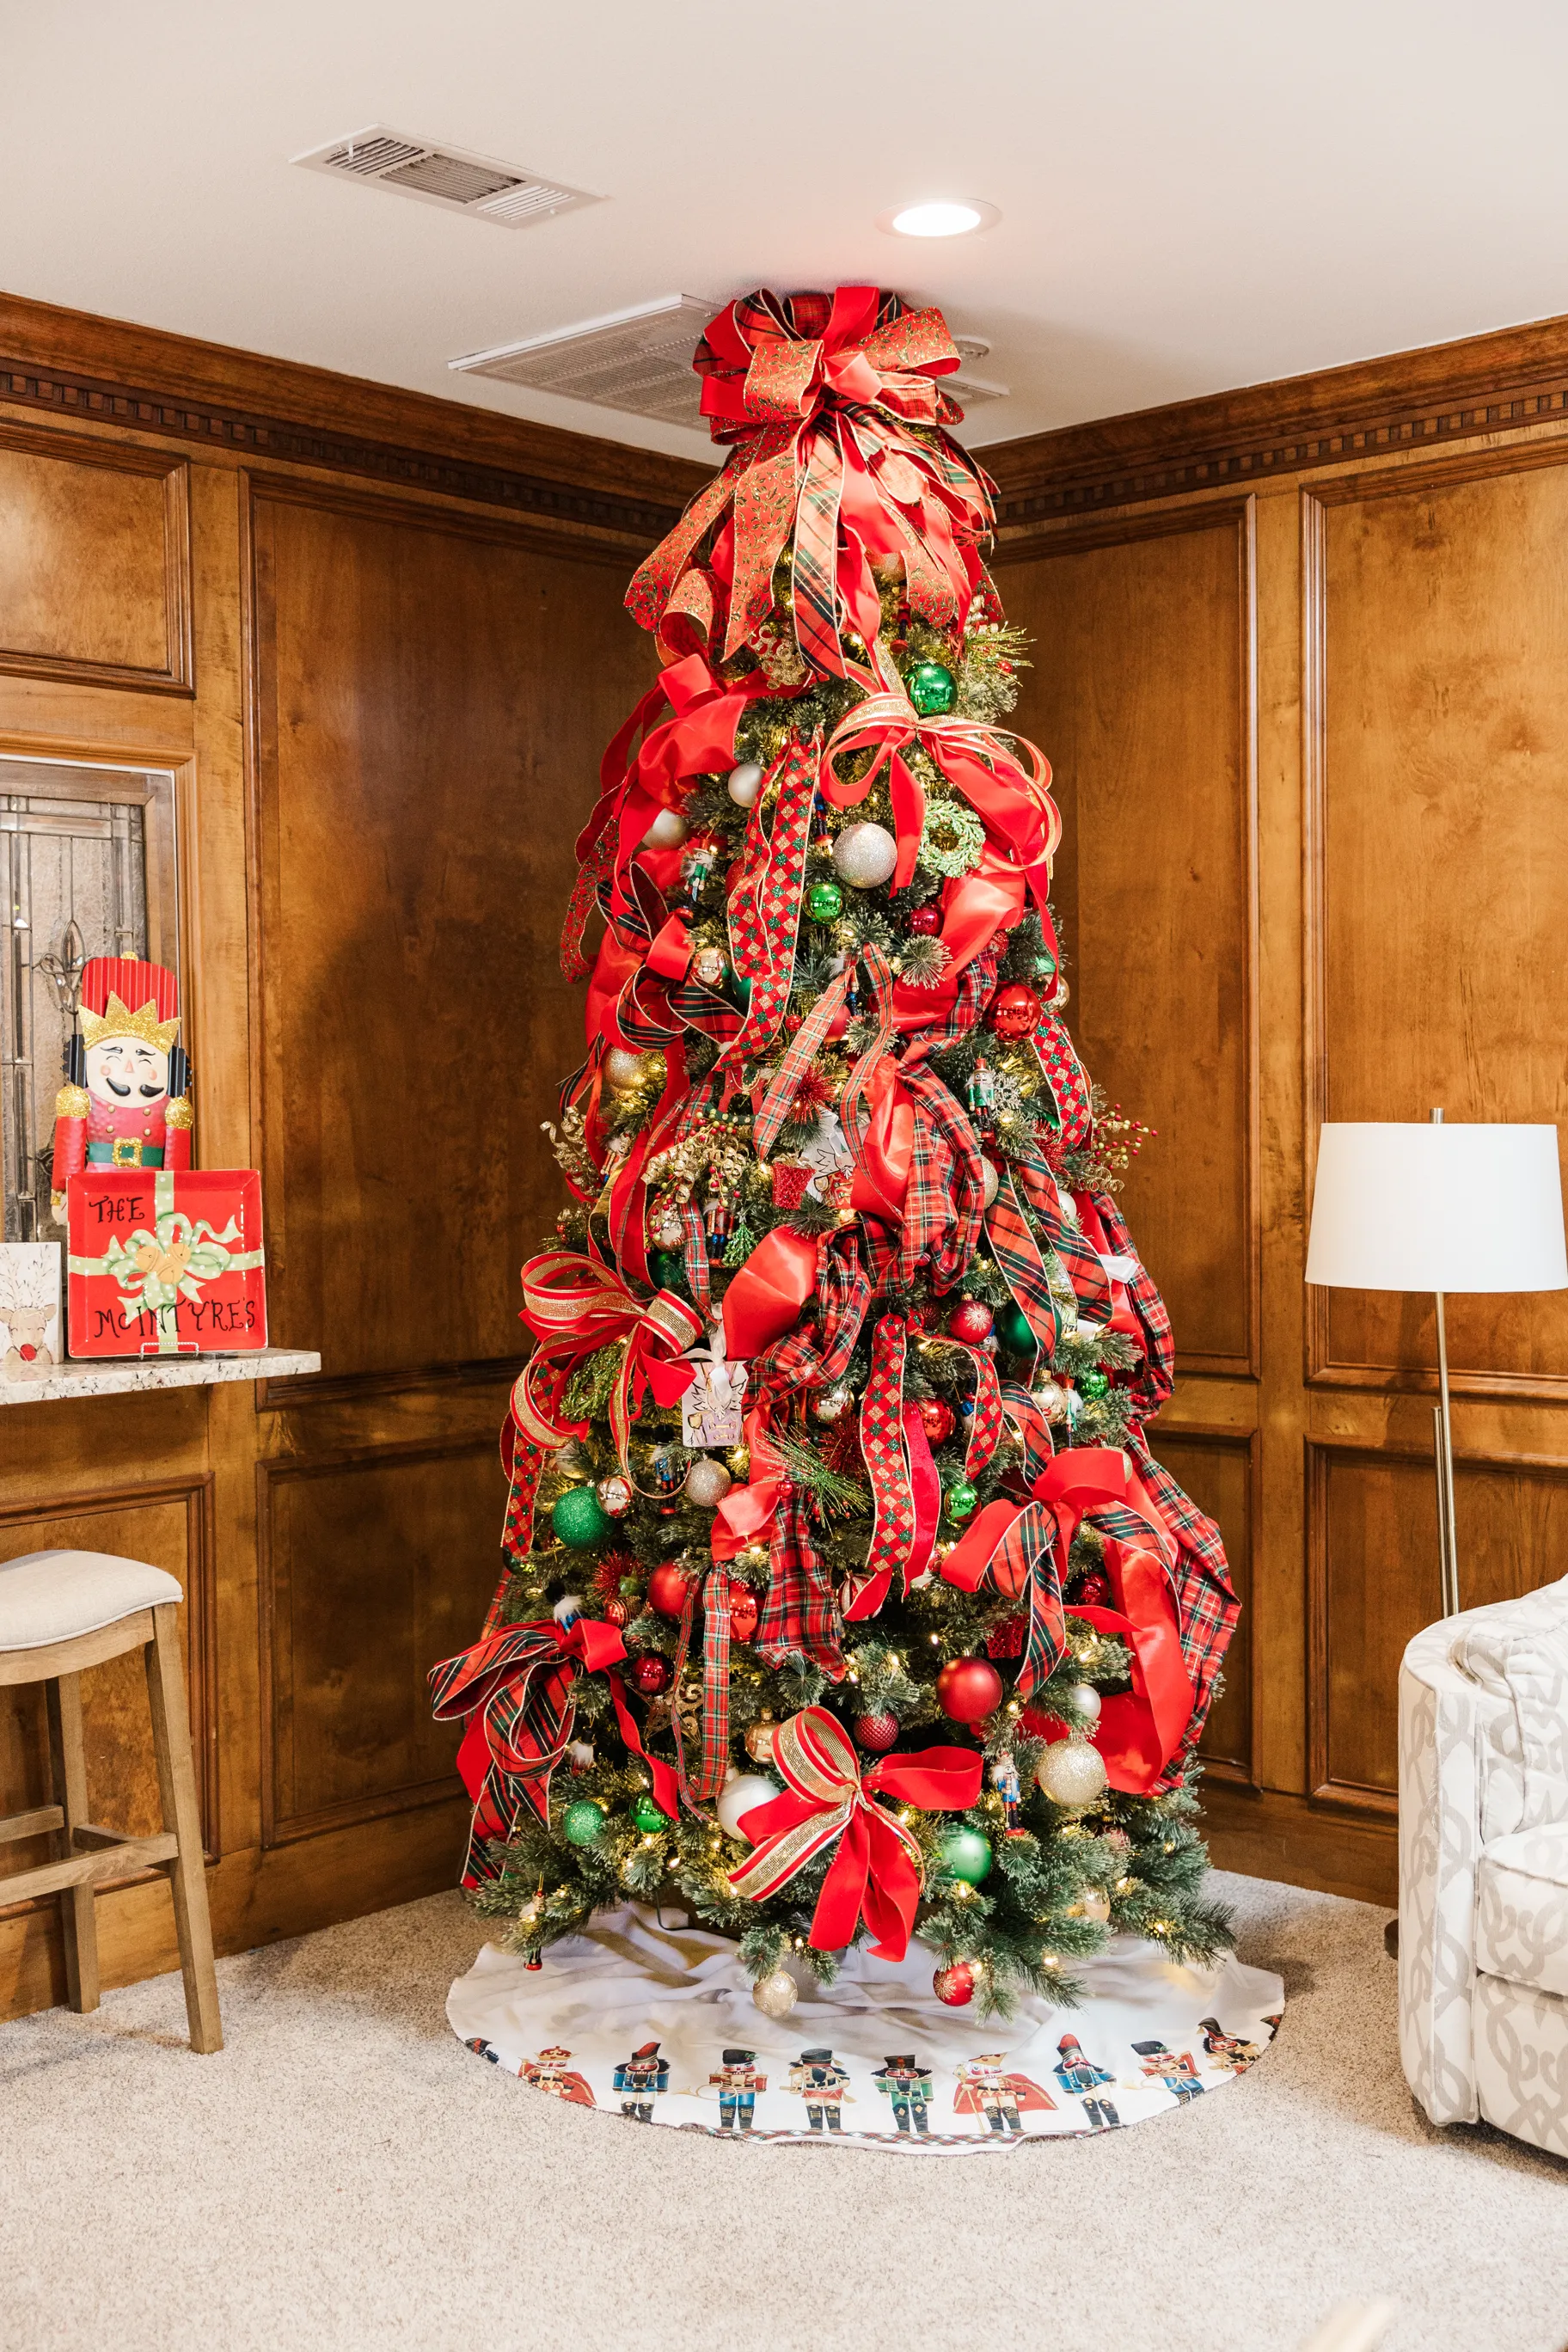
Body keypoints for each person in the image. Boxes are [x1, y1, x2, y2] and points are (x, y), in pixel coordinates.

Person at [51, 955, 193, 1215]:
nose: (129, 1067)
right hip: (97, 1190)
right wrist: (63, 1191)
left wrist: (177, 1200)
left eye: (143, 1058)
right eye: (115, 1056)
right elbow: (69, 1152)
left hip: (151, 1192)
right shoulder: (80, 1099)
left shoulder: (174, 1108)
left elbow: (177, 1162)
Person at [952, 2053, 1057, 2134]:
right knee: (991, 2109)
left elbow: (1017, 2083)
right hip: (986, 2093)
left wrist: (1021, 2093)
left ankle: (1015, 2127)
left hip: (1005, 2092)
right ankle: (997, 2128)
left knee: (1010, 2108)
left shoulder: (1008, 2077)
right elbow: (970, 2085)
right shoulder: (979, 2079)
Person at [1053, 2033, 1119, 2130]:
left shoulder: (1087, 2065)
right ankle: (1096, 2124)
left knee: (1105, 2101)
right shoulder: (1063, 2068)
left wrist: (1109, 2077)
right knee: (1089, 2103)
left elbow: (1098, 2071)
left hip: (1097, 2084)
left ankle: (1114, 2122)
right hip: (1080, 2087)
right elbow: (1062, 2076)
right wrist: (1068, 2088)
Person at [786, 2047, 852, 2134]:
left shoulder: (831, 2069)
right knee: (814, 2107)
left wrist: (845, 2082)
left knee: (832, 2108)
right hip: (812, 2090)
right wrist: (796, 2088)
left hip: (831, 2090)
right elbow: (796, 2078)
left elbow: (842, 2076)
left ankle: (835, 2127)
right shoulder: (802, 2070)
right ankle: (816, 2127)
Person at [873, 2054, 933, 2138]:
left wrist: (928, 2096)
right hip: (897, 2095)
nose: (902, 2072)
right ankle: (904, 2130)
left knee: (919, 2109)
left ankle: (922, 2130)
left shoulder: (918, 2077)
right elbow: (881, 2081)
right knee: (900, 2110)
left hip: (915, 2095)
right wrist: (883, 2090)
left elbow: (926, 2082)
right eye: (895, 2070)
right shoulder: (888, 2077)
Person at [707, 2047, 766, 2133]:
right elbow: (715, 2079)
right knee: (727, 2106)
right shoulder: (724, 2073)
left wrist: (760, 2087)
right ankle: (726, 2125)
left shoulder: (752, 2075)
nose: (738, 2069)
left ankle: (745, 2126)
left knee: (746, 2107)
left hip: (747, 2089)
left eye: (747, 2065)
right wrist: (718, 2080)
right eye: (731, 2066)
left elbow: (761, 2079)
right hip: (728, 2088)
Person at [1131, 2038, 1204, 2102]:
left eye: (1162, 2054)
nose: (1159, 2058)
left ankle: (1197, 2091)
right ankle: (1184, 2097)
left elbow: (1187, 2057)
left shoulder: (1175, 2058)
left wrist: (1194, 2072)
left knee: (1189, 2082)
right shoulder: (1153, 2064)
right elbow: (1150, 2071)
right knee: (1174, 2087)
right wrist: (1153, 2071)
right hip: (1167, 2074)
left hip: (1180, 2070)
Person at [613, 2040, 670, 2121]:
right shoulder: (627, 2070)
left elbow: (662, 2076)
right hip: (629, 2088)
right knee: (628, 2104)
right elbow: (620, 2075)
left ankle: (645, 2119)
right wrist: (617, 2087)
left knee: (646, 2105)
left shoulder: (656, 2071)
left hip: (648, 2089)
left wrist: (662, 2088)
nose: (642, 2068)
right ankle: (628, 2116)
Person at [521, 2045, 595, 2105]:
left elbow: (575, 2086)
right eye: (545, 2062)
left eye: (558, 2062)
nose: (550, 2067)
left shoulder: (567, 2077)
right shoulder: (534, 2071)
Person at [1198, 2016, 1263, 2073]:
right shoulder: (1216, 2056)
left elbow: (1258, 2056)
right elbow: (1227, 2069)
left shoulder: (1248, 2047)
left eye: (1226, 2042)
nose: (1224, 2046)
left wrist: (1235, 2054)